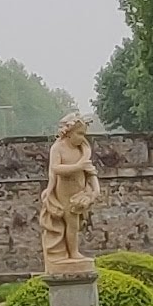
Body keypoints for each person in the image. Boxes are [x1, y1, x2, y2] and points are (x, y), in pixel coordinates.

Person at [38, 106, 99, 272]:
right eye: (79, 134)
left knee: (77, 224)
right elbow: (56, 168)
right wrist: (78, 166)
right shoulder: (58, 148)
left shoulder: (82, 150)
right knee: (71, 223)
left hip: (80, 192)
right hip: (64, 192)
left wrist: (94, 191)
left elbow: (90, 173)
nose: (82, 138)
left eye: (83, 135)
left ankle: (71, 252)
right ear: (69, 132)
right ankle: (72, 252)